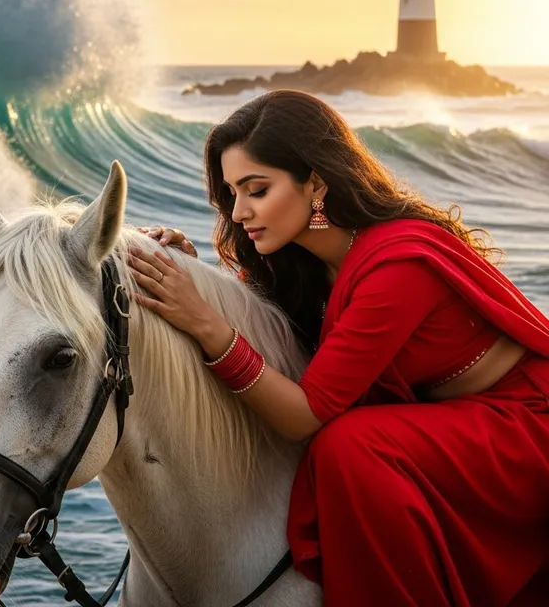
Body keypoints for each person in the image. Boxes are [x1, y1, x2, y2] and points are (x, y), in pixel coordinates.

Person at [126, 89, 549, 607]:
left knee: (349, 446)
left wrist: (207, 324)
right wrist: (192, 272)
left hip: (522, 423)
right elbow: (283, 337)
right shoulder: (308, 260)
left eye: (256, 190)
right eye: (232, 193)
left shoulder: (397, 268)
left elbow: (304, 416)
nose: (239, 212)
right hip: (452, 419)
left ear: (317, 183)